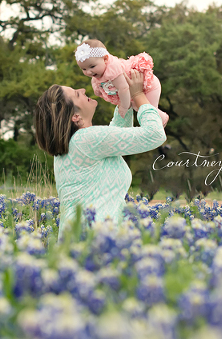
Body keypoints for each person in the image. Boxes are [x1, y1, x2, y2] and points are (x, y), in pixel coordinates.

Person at [34, 70, 166, 239]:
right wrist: (139, 95)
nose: (82, 90)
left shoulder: (79, 143)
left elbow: (115, 136)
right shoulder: (87, 140)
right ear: (75, 116)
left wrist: (125, 101)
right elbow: (155, 134)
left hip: (79, 242)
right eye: (76, 94)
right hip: (96, 243)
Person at [75, 39, 169, 127]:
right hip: (134, 90)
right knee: (138, 108)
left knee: (148, 110)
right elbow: (94, 80)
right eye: (84, 69)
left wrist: (124, 107)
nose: (88, 72)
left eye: (92, 66)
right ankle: (158, 124)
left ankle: (163, 119)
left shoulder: (113, 69)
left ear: (105, 59)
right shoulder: (98, 71)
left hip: (148, 86)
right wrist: (95, 87)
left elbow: (123, 89)